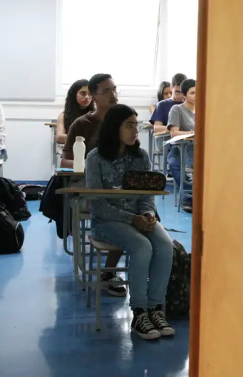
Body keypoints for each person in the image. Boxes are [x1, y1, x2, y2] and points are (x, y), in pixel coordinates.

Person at [85, 104, 174, 340]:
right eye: (129, 125)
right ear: (114, 127)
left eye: (136, 125)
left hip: (138, 218)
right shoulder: (95, 158)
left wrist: (148, 214)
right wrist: (131, 219)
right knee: (142, 246)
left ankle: (156, 308)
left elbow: (146, 196)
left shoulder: (140, 157)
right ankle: (139, 313)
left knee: (165, 245)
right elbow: (98, 205)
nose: (135, 131)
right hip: (107, 221)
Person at [60, 74, 125, 296]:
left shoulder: (123, 121)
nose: (113, 95)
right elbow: (65, 161)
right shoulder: (82, 124)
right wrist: (91, 166)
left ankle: (110, 270)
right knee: (119, 210)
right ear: (94, 96)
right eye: (106, 91)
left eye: (114, 89)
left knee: (136, 209)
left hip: (118, 187)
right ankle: (109, 270)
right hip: (89, 184)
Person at [167, 79, 196, 212]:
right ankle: (188, 196)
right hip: (180, 149)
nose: (196, 96)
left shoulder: (204, 110)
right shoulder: (177, 109)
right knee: (175, 163)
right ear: (184, 95)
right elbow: (174, 132)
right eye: (192, 93)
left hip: (198, 149)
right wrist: (193, 133)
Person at [56, 79, 93, 144]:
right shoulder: (63, 115)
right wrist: (83, 139)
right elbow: (59, 138)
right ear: (74, 95)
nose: (87, 97)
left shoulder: (96, 114)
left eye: (90, 94)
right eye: (83, 93)